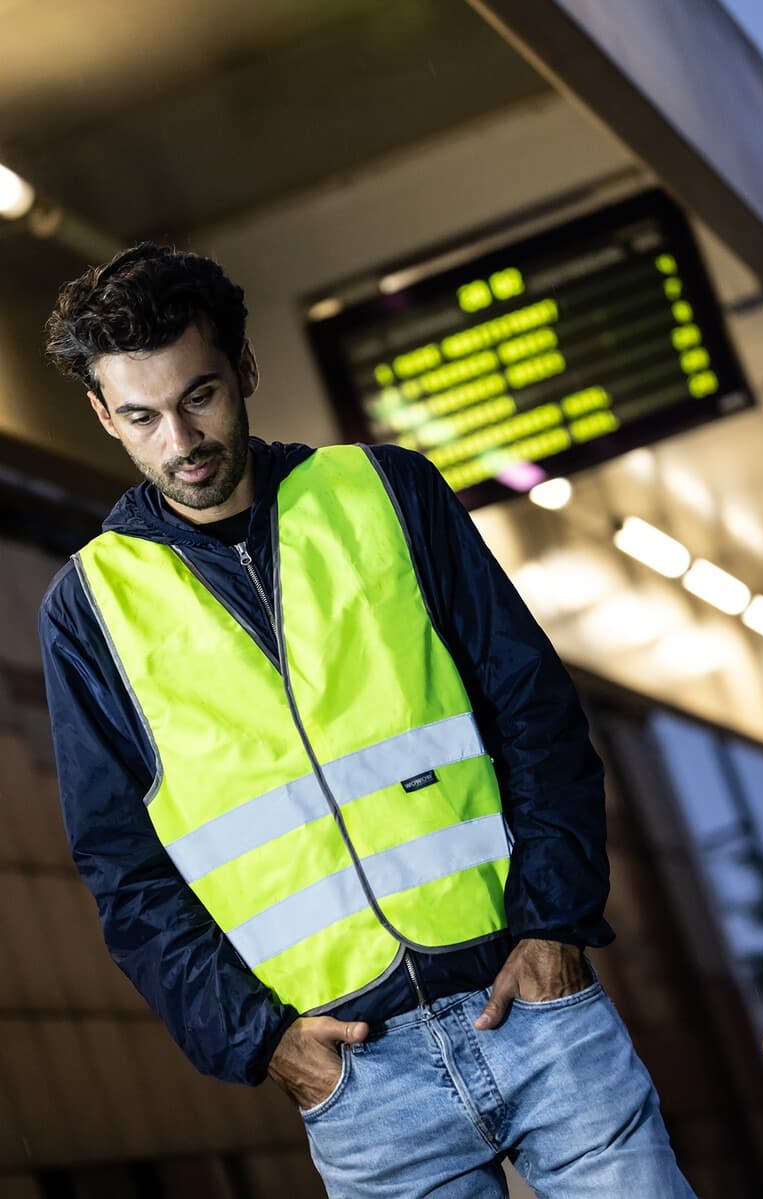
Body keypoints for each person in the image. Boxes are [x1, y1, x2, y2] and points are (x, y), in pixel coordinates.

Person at [39, 243, 696, 1199]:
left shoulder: (389, 493)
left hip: (537, 1011)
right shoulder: (90, 609)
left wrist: (554, 924)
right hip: (359, 1079)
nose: (180, 438)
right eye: (141, 416)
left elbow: (535, 714)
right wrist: (264, 1044)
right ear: (105, 417)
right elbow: (124, 870)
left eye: (201, 396)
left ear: (247, 369)